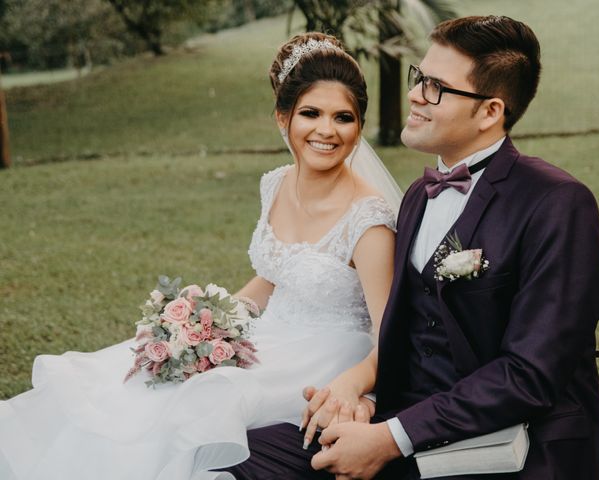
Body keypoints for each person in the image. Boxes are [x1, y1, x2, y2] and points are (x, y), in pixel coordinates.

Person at [221, 15, 599, 480]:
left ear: (490, 111)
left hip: (512, 450)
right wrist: (362, 398)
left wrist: (389, 437)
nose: (414, 95)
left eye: (436, 88)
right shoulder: (417, 200)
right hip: (407, 428)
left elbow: (528, 376)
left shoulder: (556, 203)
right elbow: (407, 333)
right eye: (419, 78)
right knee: (226, 452)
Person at [0, 32, 400, 480]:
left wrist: (356, 389)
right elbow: (273, 277)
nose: (326, 130)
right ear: (282, 118)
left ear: (358, 126)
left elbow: (392, 333)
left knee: (199, 401)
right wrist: (206, 321)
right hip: (268, 335)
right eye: (311, 113)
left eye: (342, 117)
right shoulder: (275, 184)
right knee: (135, 380)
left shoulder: (369, 221)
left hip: (324, 357)